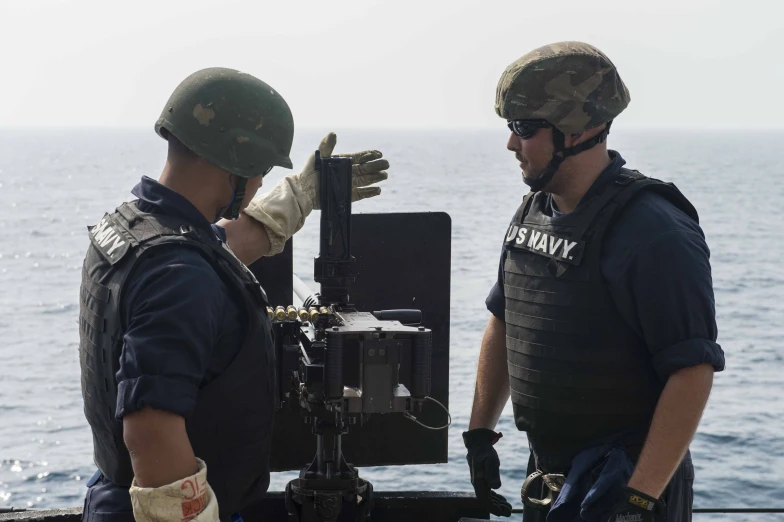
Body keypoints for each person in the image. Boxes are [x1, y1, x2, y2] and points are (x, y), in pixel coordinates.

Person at [77, 67, 389, 522]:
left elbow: (215, 247)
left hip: (114, 494)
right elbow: (151, 432)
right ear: (236, 164)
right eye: (261, 171)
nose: (261, 182)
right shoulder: (177, 274)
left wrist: (298, 198)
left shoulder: (135, 229)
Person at [463, 42, 725, 522]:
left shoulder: (654, 231)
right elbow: (505, 320)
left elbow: (691, 371)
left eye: (524, 128)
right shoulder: (533, 213)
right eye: (510, 128)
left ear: (577, 129)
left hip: (624, 485)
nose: (511, 145)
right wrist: (480, 433)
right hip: (551, 482)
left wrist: (638, 499)